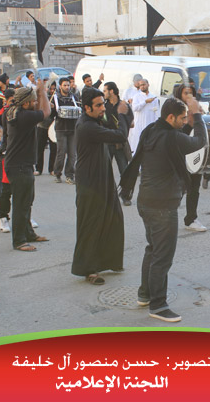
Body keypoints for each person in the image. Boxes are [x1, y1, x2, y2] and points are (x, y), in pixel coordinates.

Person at [120, 96, 206, 322]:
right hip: (162, 206)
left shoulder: (151, 130)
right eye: (182, 118)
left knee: (153, 249)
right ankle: (158, 306)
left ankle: (145, 294)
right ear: (170, 117)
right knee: (162, 256)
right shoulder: (171, 137)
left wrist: (189, 118)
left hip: (146, 201)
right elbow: (198, 142)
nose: (184, 121)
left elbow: (178, 137)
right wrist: (197, 116)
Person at [71, 87, 130, 285]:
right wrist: (121, 115)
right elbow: (120, 135)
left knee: (113, 218)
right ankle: (88, 269)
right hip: (90, 182)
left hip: (102, 177)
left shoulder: (95, 120)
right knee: (90, 224)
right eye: (98, 106)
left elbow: (111, 126)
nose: (102, 108)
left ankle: (109, 261)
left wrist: (116, 112)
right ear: (87, 108)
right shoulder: (87, 126)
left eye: (103, 104)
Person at [3, 82, 50, 251]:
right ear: (25, 103)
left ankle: (28, 233)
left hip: (20, 164)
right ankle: (19, 240)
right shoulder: (24, 116)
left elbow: (38, 108)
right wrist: (42, 91)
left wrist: (38, 93)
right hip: (20, 165)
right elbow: (46, 112)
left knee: (26, 202)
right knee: (21, 204)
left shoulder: (13, 111)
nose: (35, 103)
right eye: (32, 101)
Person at [173, 83, 207, 232]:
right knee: (179, 188)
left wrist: (199, 117)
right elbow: (177, 135)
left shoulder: (196, 108)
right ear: (180, 95)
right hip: (180, 155)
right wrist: (190, 122)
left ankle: (191, 219)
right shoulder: (175, 110)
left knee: (194, 187)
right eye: (186, 93)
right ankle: (167, 216)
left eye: (191, 93)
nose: (189, 96)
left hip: (194, 153)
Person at [103, 81, 134, 179]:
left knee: (124, 172)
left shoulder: (123, 106)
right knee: (104, 172)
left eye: (105, 91)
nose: (103, 93)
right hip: (107, 142)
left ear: (111, 91)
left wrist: (122, 125)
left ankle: (124, 189)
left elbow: (132, 123)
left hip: (119, 143)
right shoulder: (103, 107)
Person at [53, 77, 80, 184]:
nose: (67, 87)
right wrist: (52, 108)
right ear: (60, 86)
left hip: (72, 129)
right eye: (64, 85)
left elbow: (79, 109)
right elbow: (52, 114)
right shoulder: (55, 98)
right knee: (61, 152)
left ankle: (69, 175)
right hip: (60, 128)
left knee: (72, 154)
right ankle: (57, 173)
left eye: (68, 85)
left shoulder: (74, 97)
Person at [129, 79, 159, 152]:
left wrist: (156, 124)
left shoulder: (153, 97)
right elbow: (135, 108)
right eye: (140, 85)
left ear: (148, 85)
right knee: (137, 145)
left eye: (144, 84)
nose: (142, 86)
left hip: (150, 125)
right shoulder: (136, 97)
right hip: (139, 125)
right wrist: (145, 102)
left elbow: (156, 112)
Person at [34, 81, 57, 176]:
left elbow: (58, 112)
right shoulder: (41, 97)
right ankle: (38, 168)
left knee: (54, 148)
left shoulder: (56, 98)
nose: (52, 90)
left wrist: (54, 107)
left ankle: (52, 169)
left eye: (53, 89)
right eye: (50, 88)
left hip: (52, 126)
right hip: (41, 125)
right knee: (40, 148)